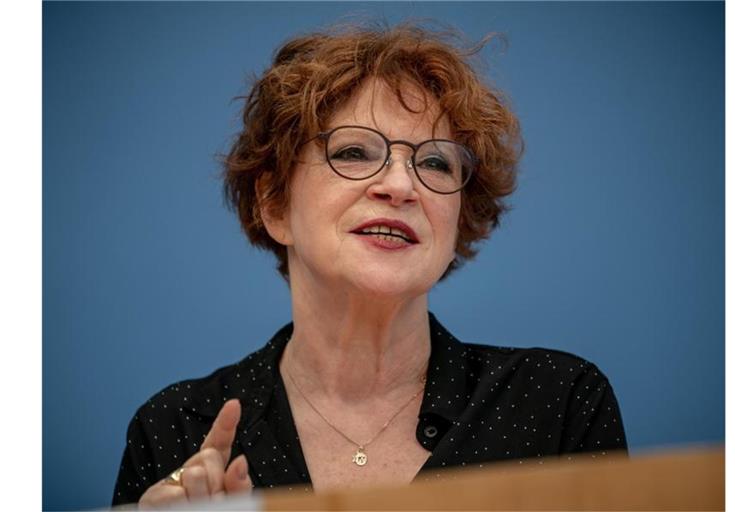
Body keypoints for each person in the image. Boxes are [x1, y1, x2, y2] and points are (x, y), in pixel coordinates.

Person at [112, 22, 627, 508]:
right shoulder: (176, 430)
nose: (401, 186)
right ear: (274, 206)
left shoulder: (556, 404)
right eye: (355, 152)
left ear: (458, 221)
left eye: (435, 162)